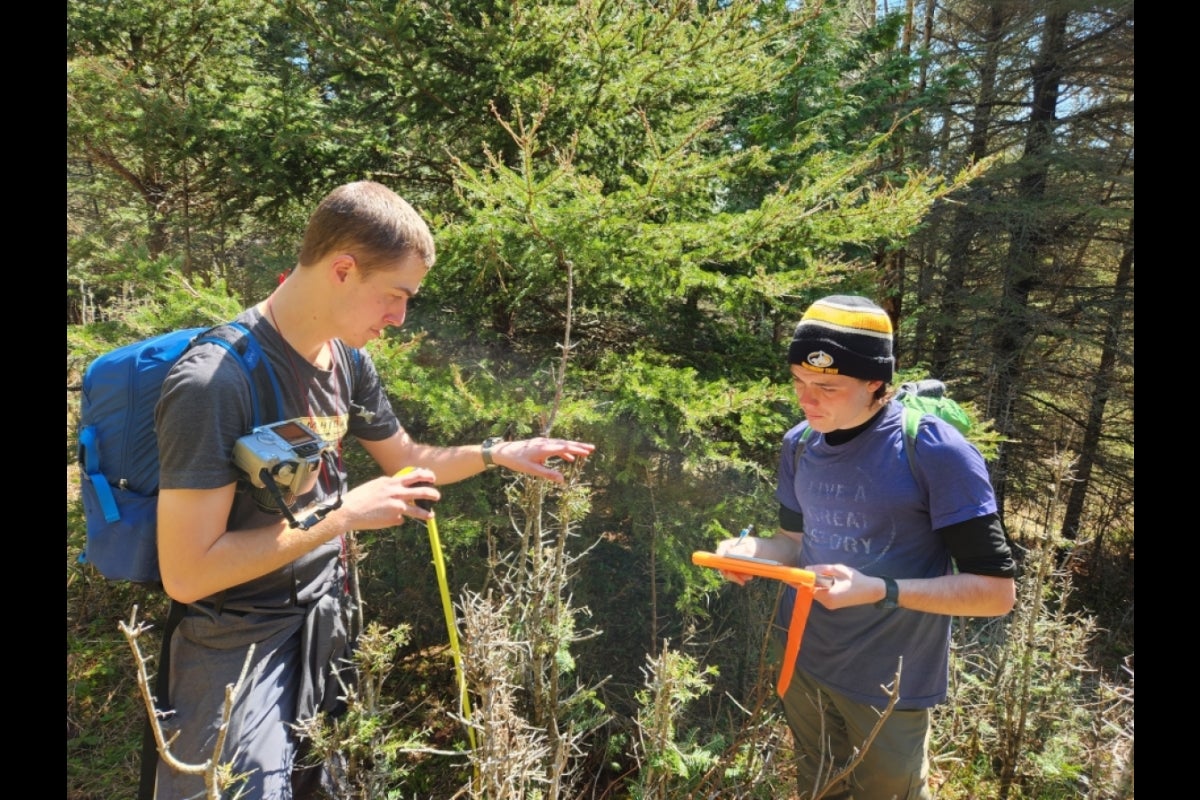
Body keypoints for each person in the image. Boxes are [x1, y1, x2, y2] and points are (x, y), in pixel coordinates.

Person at [152, 180, 595, 799]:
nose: (399, 317)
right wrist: (343, 514)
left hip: (325, 621)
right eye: (396, 295)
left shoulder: (347, 361)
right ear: (342, 269)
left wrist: (500, 453)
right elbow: (188, 574)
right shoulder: (215, 383)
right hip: (235, 645)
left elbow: (409, 459)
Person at [714, 294, 1016, 800]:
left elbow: (994, 593)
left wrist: (879, 589)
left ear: (875, 381)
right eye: (799, 382)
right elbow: (793, 546)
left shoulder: (934, 451)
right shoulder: (801, 444)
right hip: (805, 665)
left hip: (889, 684)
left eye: (827, 387)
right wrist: (746, 552)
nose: (807, 400)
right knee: (818, 789)